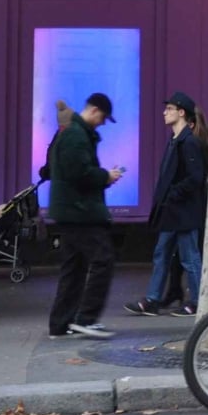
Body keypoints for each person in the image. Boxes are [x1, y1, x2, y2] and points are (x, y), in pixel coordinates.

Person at [46, 93, 125, 339]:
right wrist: (105, 176)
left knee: (74, 269)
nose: (102, 123)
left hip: (70, 211)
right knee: (103, 259)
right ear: (94, 110)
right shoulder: (76, 136)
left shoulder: (71, 133)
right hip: (80, 212)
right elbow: (78, 173)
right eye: (102, 118)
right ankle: (86, 318)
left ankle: (60, 324)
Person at [127, 92, 208, 317]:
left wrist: (173, 193)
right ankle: (152, 299)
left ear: (181, 113)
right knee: (162, 253)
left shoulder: (188, 142)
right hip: (173, 211)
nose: (165, 112)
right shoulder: (175, 141)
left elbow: (195, 177)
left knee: (188, 257)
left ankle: (197, 300)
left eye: (170, 109)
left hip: (183, 211)